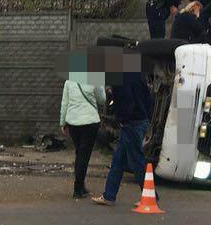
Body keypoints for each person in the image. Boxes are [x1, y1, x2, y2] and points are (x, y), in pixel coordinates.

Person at [92, 66, 153, 207]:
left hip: (131, 123)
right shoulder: (137, 74)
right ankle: (109, 195)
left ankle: (150, 195)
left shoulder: (119, 78)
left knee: (135, 160)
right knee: (118, 160)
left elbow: (127, 100)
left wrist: (122, 119)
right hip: (140, 120)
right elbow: (148, 98)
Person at [60, 74, 106, 199]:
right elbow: (102, 100)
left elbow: (65, 103)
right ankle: (78, 188)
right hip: (90, 122)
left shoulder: (69, 81)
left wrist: (62, 122)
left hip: (73, 123)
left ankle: (81, 186)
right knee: (84, 155)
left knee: (79, 153)